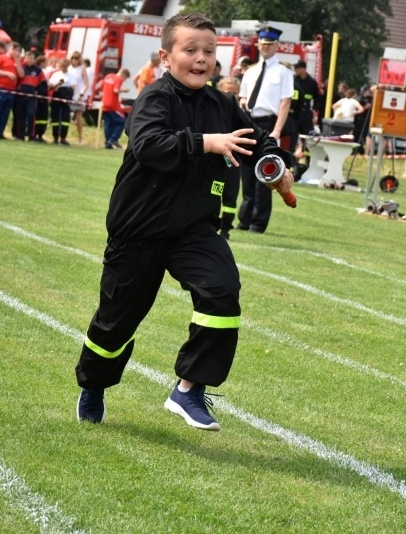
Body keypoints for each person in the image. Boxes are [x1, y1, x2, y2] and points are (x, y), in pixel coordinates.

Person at [74, 12, 294, 430]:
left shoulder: (223, 104)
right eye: (190, 50)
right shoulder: (155, 98)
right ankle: (94, 386)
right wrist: (207, 143)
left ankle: (190, 388)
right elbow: (149, 145)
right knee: (115, 323)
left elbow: (259, 141)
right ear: (166, 56)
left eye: (209, 51)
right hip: (138, 229)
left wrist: (276, 164)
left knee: (222, 291)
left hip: (194, 229)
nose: (201, 59)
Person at [237, 25, 295, 234]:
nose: (265, 48)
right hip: (250, 121)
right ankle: (244, 218)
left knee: (265, 174)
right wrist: (242, 104)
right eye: (262, 44)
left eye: (269, 45)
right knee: (247, 171)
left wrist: (277, 130)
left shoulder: (283, 71)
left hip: (269, 125)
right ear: (258, 44)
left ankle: (258, 222)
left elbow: (285, 102)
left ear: (276, 46)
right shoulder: (251, 71)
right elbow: (243, 96)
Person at [216, 76, 242, 240]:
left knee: (230, 195)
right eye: (227, 92)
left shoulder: (241, 115)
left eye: (234, 93)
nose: (231, 96)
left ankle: (226, 228)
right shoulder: (211, 112)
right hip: (214, 161)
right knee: (212, 193)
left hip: (233, 161)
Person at [0, 41, 24, 139]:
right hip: (0, 88)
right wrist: (7, 74)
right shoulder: (1, 58)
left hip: (11, 90)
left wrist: (17, 62)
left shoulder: (18, 61)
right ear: (10, 49)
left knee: (5, 112)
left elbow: (21, 75)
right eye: (15, 50)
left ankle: (0, 132)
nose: (17, 53)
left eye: (18, 51)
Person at [14, 50, 44, 141]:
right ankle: (20, 135)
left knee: (31, 115)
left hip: (32, 97)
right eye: (28, 58)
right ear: (25, 59)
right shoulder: (21, 68)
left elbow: (43, 84)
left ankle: (31, 135)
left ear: (34, 59)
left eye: (31, 58)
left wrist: (38, 92)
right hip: (21, 96)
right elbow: (16, 80)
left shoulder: (38, 71)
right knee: (21, 115)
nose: (29, 60)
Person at [100, 67, 130, 149]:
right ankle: (113, 139)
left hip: (104, 103)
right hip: (113, 105)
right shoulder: (118, 79)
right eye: (125, 79)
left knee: (108, 124)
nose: (123, 81)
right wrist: (124, 90)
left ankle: (107, 143)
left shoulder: (108, 76)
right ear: (123, 75)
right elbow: (116, 90)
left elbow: (102, 87)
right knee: (122, 122)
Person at [48, 58, 74, 145]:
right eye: (62, 66)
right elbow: (51, 87)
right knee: (55, 117)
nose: (63, 68)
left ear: (68, 65)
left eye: (65, 66)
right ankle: (55, 137)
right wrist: (58, 84)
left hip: (66, 98)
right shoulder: (55, 75)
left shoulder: (71, 76)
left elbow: (73, 87)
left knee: (65, 119)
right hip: (56, 96)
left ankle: (63, 138)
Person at [68, 52, 89, 144]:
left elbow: (86, 83)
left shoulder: (82, 69)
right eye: (73, 58)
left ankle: (80, 138)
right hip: (69, 95)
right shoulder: (69, 68)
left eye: (76, 58)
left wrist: (81, 93)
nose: (74, 60)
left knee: (78, 117)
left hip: (78, 96)